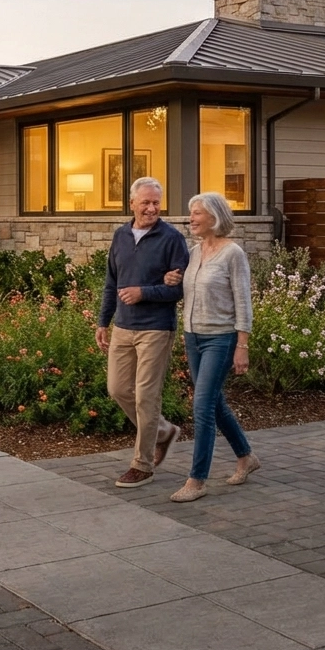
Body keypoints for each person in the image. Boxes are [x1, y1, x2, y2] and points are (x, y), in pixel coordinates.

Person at [96, 178, 189, 488]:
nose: (151, 208)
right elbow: (111, 283)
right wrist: (103, 321)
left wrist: (143, 292)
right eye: (146, 202)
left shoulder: (172, 239)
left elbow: (179, 290)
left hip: (156, 328)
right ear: (132, 204)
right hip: (123, 327)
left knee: (146, 396)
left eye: (156, 203)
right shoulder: (120, 236)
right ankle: (162, 432)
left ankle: (143, 465)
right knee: (118, 389)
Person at [169, 192, 259, 502]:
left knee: (202, 406)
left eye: (197, 213)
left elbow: (243, 302)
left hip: (221, 338)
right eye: (191, 212)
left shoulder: (233, 253)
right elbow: (190, 291)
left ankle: (197, 480)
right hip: (193, 337)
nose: (191, 218)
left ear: (214, 217)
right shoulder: (194, 253)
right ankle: (246, 456)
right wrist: (172, 280)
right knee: (214, 403)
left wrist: (242, 345)